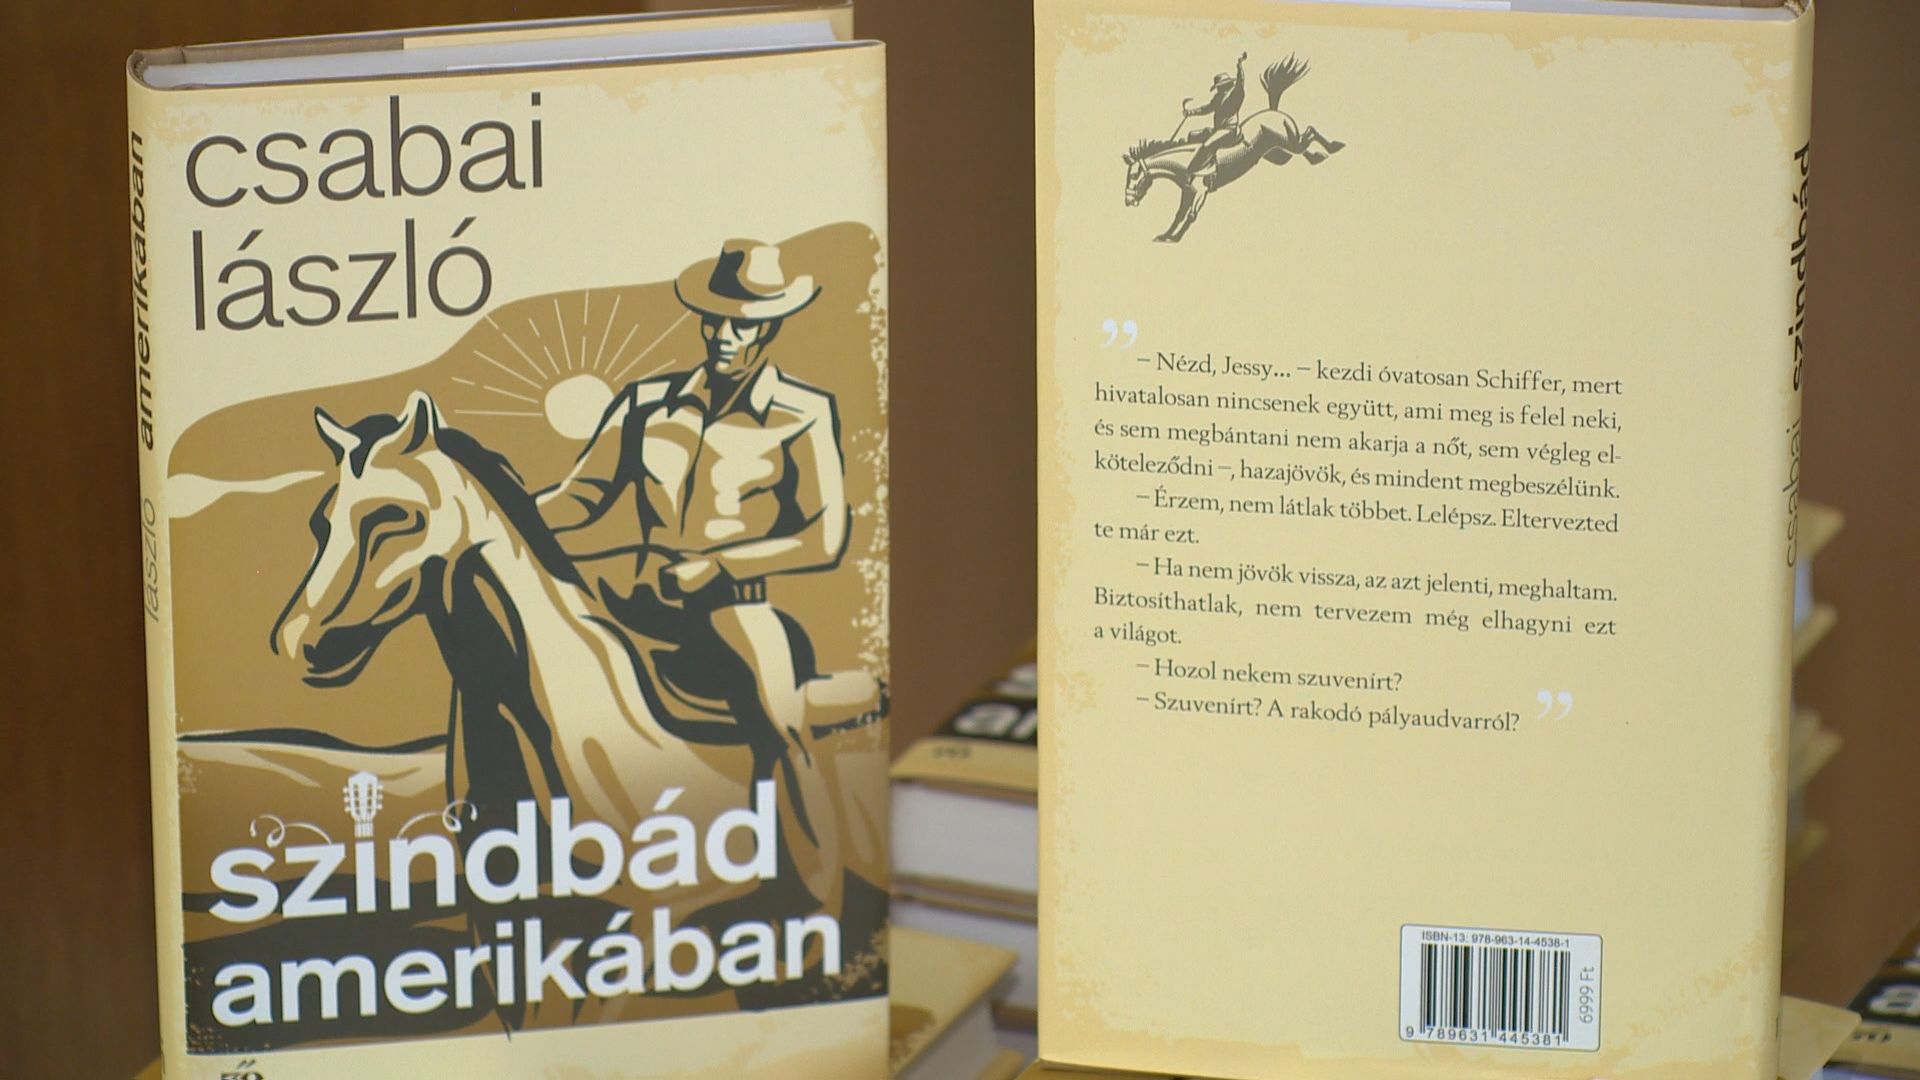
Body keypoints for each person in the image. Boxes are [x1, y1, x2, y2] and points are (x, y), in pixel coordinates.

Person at [537, 239, 871, 831]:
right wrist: (499, 507)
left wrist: (720, 567)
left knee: (781, 730)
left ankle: (813, 853)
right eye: (713, 320)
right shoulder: (645, 404)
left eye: (740, 325)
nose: (722, 336)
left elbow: (825, 536)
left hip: (735, 611)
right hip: (634, 604)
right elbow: (580, 496)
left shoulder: (803, 412)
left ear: (770, 327)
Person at [1182, 51, 1249, 178]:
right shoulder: (1218, 98)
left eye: (1220, 86)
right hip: (1218, 130)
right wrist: (1191, 112)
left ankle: (1201, 171)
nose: (1218, 89)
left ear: (1225, 86)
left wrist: (1239, 66)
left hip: (1229, 130)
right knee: (1192, 135)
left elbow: (1240, 83)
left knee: (1208, 144)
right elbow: (1207, 108)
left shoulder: (1235, 95)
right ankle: (1189, 161)